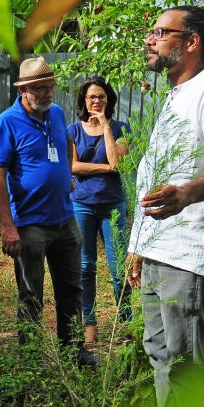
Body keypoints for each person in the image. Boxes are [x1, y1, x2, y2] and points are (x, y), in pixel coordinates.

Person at [126, 5, 204, 407]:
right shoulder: (178, 94)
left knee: (184, 366)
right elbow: (157, 175)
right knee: (161, 355)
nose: (150, 40)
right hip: (163, 250)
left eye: (161, 32)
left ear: (192, 42)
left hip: (192, 253)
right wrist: (139, 245)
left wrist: (188, 195)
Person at [0, 56, 93, 365]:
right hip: (29, 224)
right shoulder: (7, 122)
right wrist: (8, 226)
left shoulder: (56, 113)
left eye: (50, 87)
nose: (47, 94)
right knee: (31, 294)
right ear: (23, 90)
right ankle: (30, 360)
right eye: (40, 89)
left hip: (65, 220)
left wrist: (68, 174)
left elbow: (68, 142)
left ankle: (74, 352)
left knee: (72, 290)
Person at [68, 75, 132, 346]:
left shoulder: (121, 127)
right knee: (85, 266)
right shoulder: (73, 130)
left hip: (113, 204)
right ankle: (89, 323)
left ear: (109, 99)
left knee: (119, 268)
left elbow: (118, 160)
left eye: (101, 96)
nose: (96, 101)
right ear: (84, 100)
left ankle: (126, 322)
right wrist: (106, 168)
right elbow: (73, 166)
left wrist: (105, 126)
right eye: (92, 96)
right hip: (82, 204)